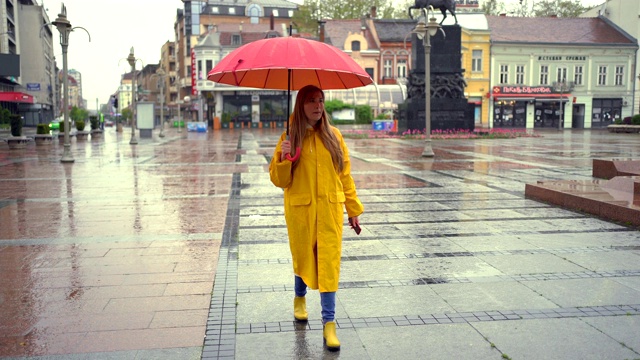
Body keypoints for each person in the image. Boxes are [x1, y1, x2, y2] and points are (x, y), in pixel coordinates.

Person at [269, 84, 363, 352]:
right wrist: (284, 157)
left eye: (320, 100)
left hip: (330, 210)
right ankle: (299, 297)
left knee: (328, 265)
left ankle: (329, 324)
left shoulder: (334, 136)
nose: (317, 106)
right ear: (301, 105)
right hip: (302, 210)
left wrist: (353, 208)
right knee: (304, 257)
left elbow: (344, 175)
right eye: (311, 101)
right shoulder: (290, 136)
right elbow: (279, 180)